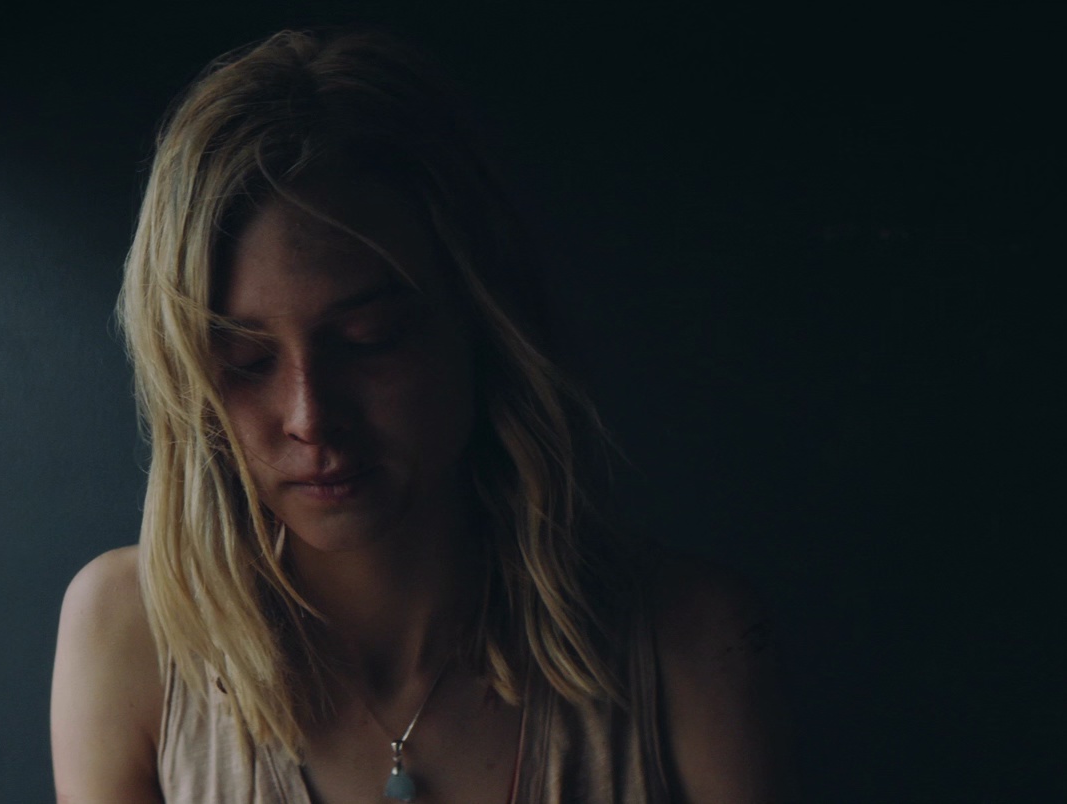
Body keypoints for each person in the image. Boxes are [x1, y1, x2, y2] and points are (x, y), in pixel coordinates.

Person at [51, 27, 790, 804]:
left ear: (480, 321)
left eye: (368, 340)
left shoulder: (694, 647)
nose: (310, 416)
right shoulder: (127, 636)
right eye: (245, 360)